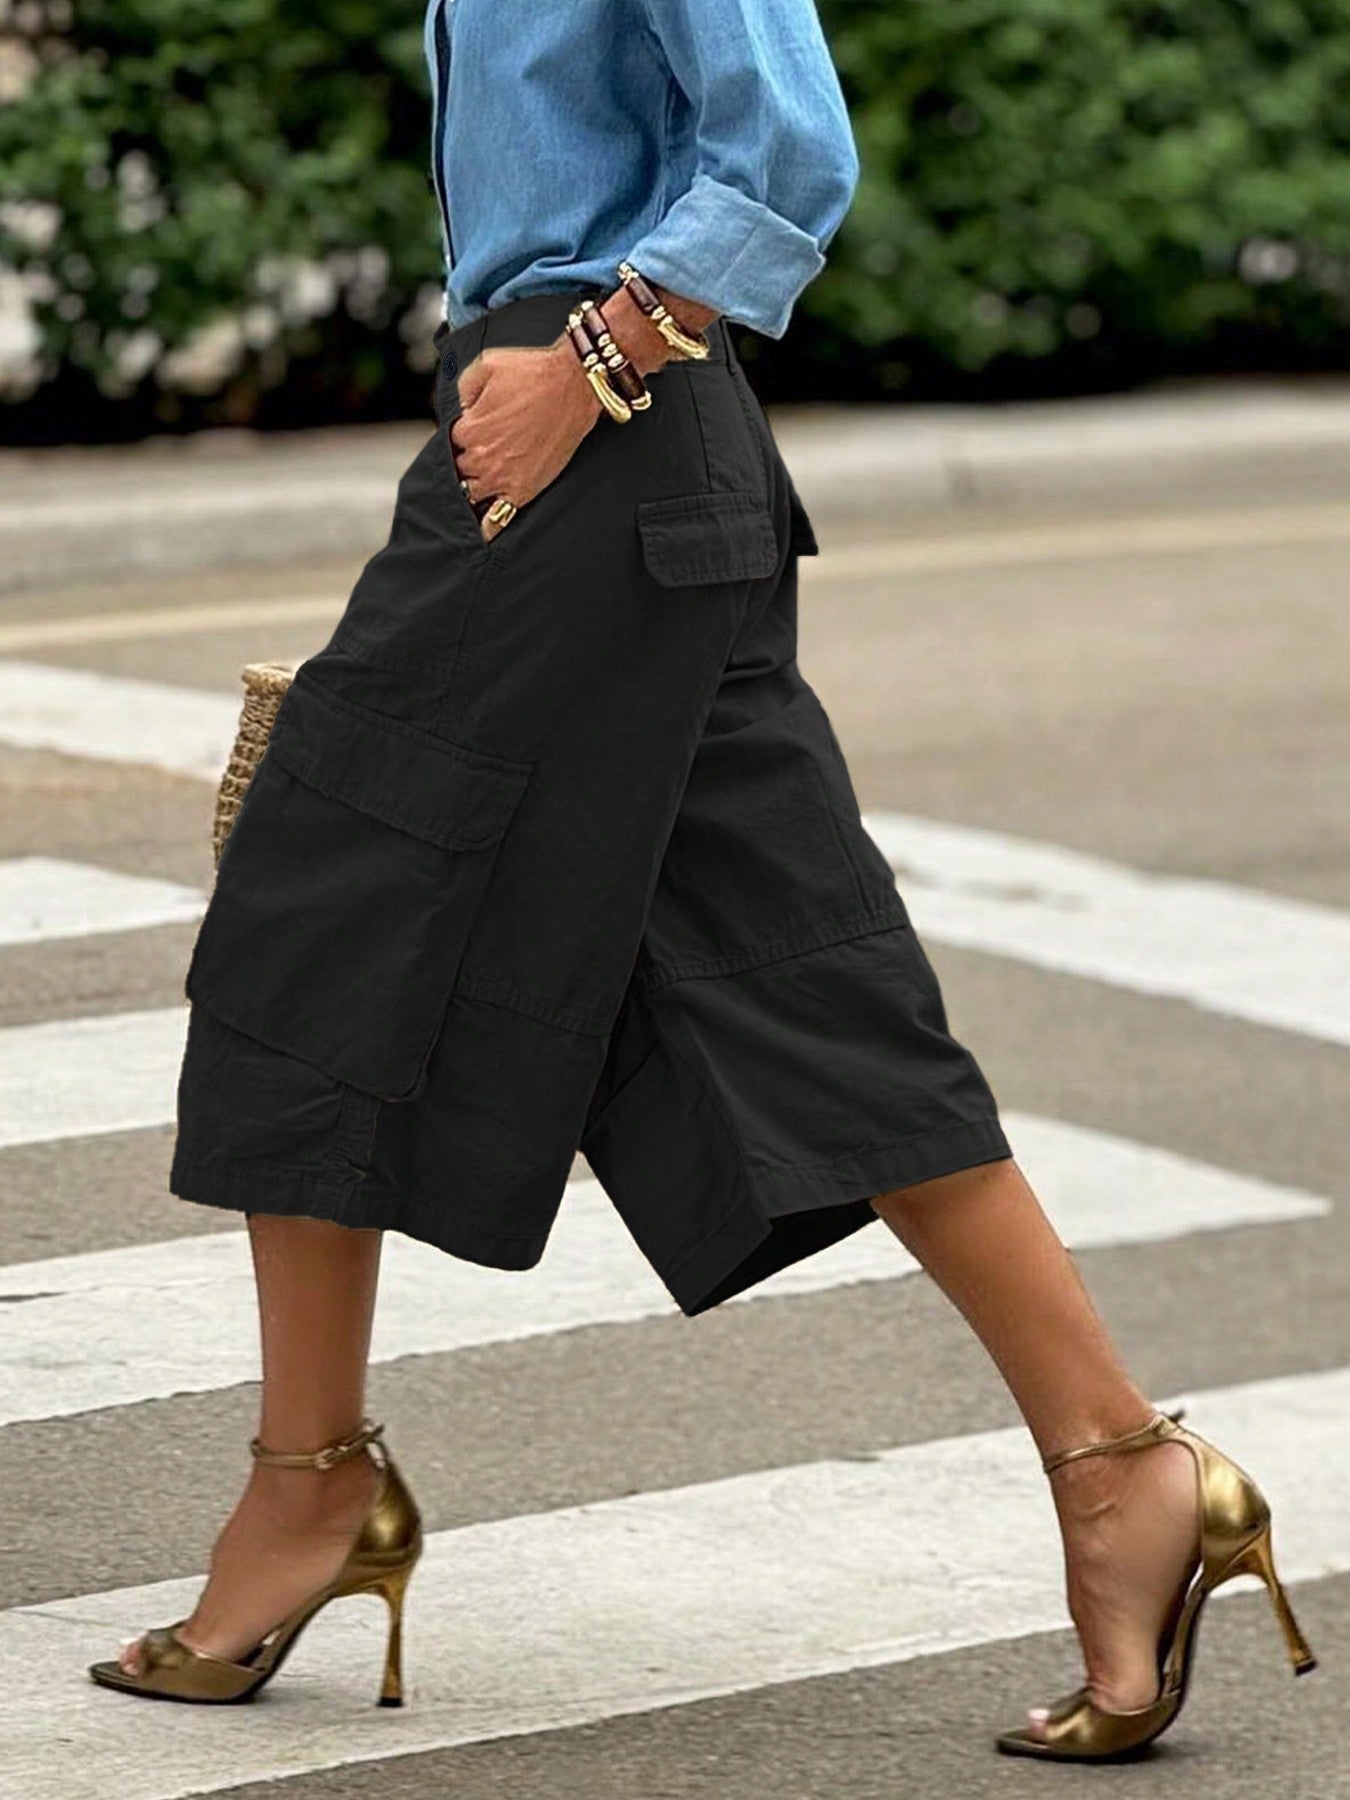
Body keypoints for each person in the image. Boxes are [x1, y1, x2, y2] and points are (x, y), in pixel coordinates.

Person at [89, 0, 1315, 1760]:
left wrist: (592, 360)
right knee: (793, 982)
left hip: (590, 441)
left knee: (312, 923)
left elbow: (787, 145)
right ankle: (1124, 1464)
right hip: (623, 474)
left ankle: (312, 1486)